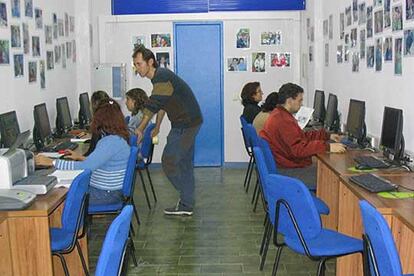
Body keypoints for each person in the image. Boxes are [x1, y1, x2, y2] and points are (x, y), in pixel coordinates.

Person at [132, 45, 203, 216]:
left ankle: (187, 197)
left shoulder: (162, 77)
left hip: (186, 125)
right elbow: (162, 104)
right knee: (184, 164)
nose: (137, 68)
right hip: (188, 123)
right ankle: (186, 204)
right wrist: (157, 127)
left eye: (139, 64)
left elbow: (153, 105)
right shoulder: (159, 79)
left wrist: (140, 129)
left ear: (150, 62)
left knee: (168, 162)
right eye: (135, 64)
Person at [35, 99, 130, 205]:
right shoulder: (117, 138)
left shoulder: (109, 142)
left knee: (57, 199)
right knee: (66, 191)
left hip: (105, 194)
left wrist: (52, 162)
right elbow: (98, 161)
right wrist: (80, 157)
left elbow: (86, 166)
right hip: (110, 191)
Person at [260, 83, 346, 186]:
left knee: (326, 170)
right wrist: (327, 147)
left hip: (284, 164)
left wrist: (327, 136)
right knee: (332, 178)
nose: (301, 104)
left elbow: (301, 137)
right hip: (288, 170)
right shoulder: (283, 120)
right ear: (289, 101)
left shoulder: (279, 114)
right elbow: (298, 150)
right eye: (300, 100)